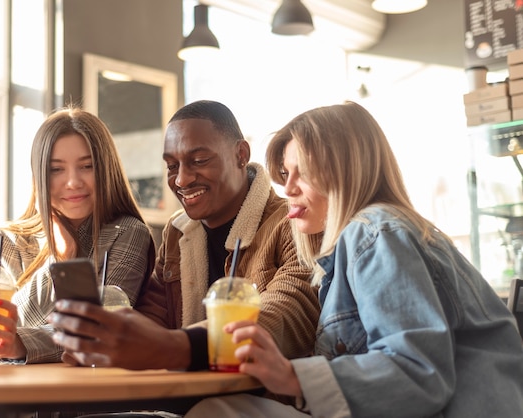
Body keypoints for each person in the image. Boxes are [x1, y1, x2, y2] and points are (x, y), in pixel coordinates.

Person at [183, 101, 523, 418]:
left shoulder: (375, 232)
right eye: (286, 175)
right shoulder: (363, 242)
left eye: (303, 172)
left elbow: (419, 373)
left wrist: (291, 376)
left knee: (216, 412)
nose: (289, 189)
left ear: (346, 171)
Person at [48, 100, 321, 373]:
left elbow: (287, 313)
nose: (181, 180)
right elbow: (153, 317)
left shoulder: (295, 223)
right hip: (184, 403)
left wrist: (174, 346)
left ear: (241, 154)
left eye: (199, 161)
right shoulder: (177, 234)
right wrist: (108, 342)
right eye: (171, 166)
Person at [0, 106, 156, 364]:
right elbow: (2, 332)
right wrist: (59, 257)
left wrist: (20, 343)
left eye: (87, 166)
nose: (73, 181)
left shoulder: (127, 233)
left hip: (93, 398)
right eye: (56, 169)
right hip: (15, 398)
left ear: (106, 169)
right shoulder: (5, 241)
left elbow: (98, 334)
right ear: (39, 174)